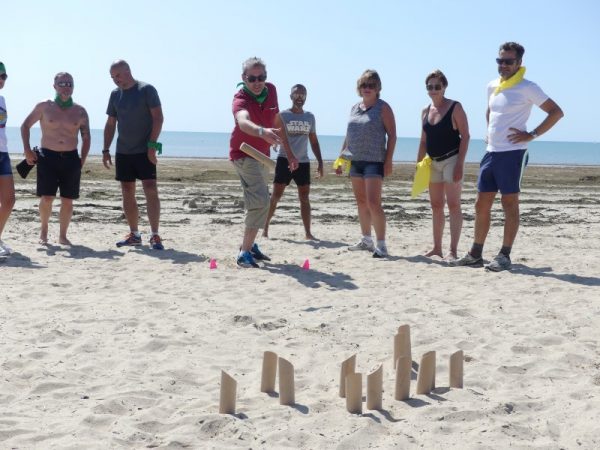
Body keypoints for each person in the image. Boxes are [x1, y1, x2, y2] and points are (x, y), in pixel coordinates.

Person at [451, 42, 563, 271]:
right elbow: (490, 110)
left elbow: (556, 112)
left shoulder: (527, 87)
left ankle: (504, 255)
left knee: (509, 203)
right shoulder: (492, 86)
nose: (503, 65)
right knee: (481, 204)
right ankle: (475, 253)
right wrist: (490, 133)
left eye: (508, 61)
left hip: (513, 154)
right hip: (491, 152)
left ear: (519, 63)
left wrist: (531, 134)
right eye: (500, 61)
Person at [21, 72, 90, 245]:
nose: (66, 87)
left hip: (71, 157)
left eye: (69, 84)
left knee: (67, 200)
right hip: (48, 156)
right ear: (54, 86)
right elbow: (25, 126)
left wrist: (82, 159)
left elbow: (86, 137)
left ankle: (62, 235)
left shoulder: (80, 111)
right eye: (62, 83)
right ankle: (43, 232)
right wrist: (27, 150)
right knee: (47, 198)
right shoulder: (44, 107)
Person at [103, 60, 165, 250]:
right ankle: (134, 234)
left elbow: (158, 118)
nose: (116, 80)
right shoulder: (115, 95)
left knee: (150, 189)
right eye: (113, 77)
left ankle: (155, 235)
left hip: (144, 150)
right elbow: (111, 123)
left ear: (128, 71)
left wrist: (152, 146)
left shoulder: (146, 90)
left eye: (118, 75)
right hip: (123, 151)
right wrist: (106, 149)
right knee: (127, 191)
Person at [230, 57, 282, 268]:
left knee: (259, 201)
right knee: (260, 200)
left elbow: (276, 118)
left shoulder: (271, 90)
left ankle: (250, 246)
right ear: (244, 78)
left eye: (261, 77)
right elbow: (243, 121)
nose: (257, 82)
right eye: (252, 78)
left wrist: (283, 143)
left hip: (263, 155)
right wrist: (262, 132)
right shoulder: (240, 98)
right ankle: (244, 253)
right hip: (243, 153)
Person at [338, 69, 396, 258]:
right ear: (359, 88)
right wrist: (341, 159)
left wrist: (388, 161)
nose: (367, 88)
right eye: (364, 85)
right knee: (361, 202)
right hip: (355, 161)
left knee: (373, 203)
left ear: (378, 88)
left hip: (374, 161)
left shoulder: (383, 107)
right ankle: (366, 239)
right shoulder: (355, 107)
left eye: (371, 85)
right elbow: (349, 135)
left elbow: (393, 135)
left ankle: (381, 244)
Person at [416, 70, 470, 261]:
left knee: (454, 205)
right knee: (436, 205)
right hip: (433, 162)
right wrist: (419, 164)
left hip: (452, 160)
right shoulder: (425, 111)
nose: (433, 90)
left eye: (437, 86)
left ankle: (453, 250)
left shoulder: (455, 107)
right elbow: (423, 141)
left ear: (444, 87)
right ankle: (437, 248)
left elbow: (466, 136)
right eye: (429, 87)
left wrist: (460, 165)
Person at [263, 84, 323, 240]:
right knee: (276, 196)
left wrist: (320, 162)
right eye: (296, 95)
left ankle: (308, 233)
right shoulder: (282, 116)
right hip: (284, 160)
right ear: (291, 96)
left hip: (303, 162)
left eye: (302, 95)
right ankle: (265, 227)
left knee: (304, 197)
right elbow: (278, 137)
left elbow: (314, 141)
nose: (299, 98)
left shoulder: (310, 117)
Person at [0, 62, 15, 257]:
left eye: (4, 76)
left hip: (3, 153)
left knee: (9, 200)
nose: (2, 79)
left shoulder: (2, 99)